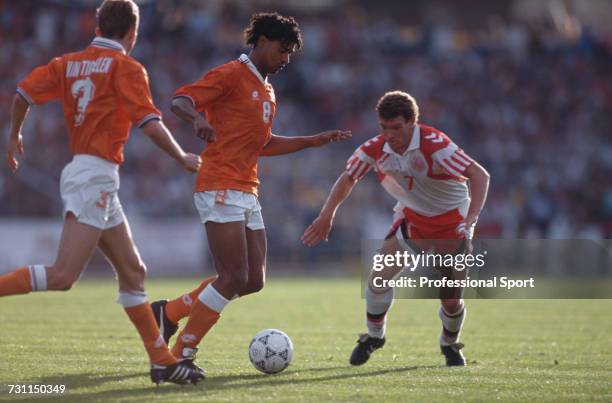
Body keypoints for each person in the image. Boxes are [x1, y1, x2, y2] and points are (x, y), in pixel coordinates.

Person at [0, 0, 204, 385]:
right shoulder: (126, 67)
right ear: (133, 31)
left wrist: (15, 135)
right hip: (93, 175)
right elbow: (149, 123)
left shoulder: (67, 63)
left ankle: (161, 361)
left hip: (94, 176)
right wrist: (181, 157)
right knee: (63, 276)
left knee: (134, 272)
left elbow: (22, 93)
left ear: (97, 27)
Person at [149, 12, 351, 372]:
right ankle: (181, 354)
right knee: (232, 277)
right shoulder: (230, 74)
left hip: (246, 188)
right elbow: (181, 99)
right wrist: (197, 118)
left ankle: (170, 312)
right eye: (281, 49)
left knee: (254, 280)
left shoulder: (268, 90)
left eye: (290, 52)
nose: (286, 58)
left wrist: (312, 141)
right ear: (259, 42)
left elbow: (263, 143)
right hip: (219, 184)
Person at [301, 91, 490, 366]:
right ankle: (374, 337)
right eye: (384, 127)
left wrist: (472, 217)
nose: (389, 134)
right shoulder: (376, 148)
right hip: (413, 220)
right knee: (377, 280)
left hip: (452, 224)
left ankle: (449, 344)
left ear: (413, 122)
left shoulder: (436, 145)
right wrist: (326, 215)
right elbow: (348, 177)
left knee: (450, 299)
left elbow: (479, 174)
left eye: (397, 127)